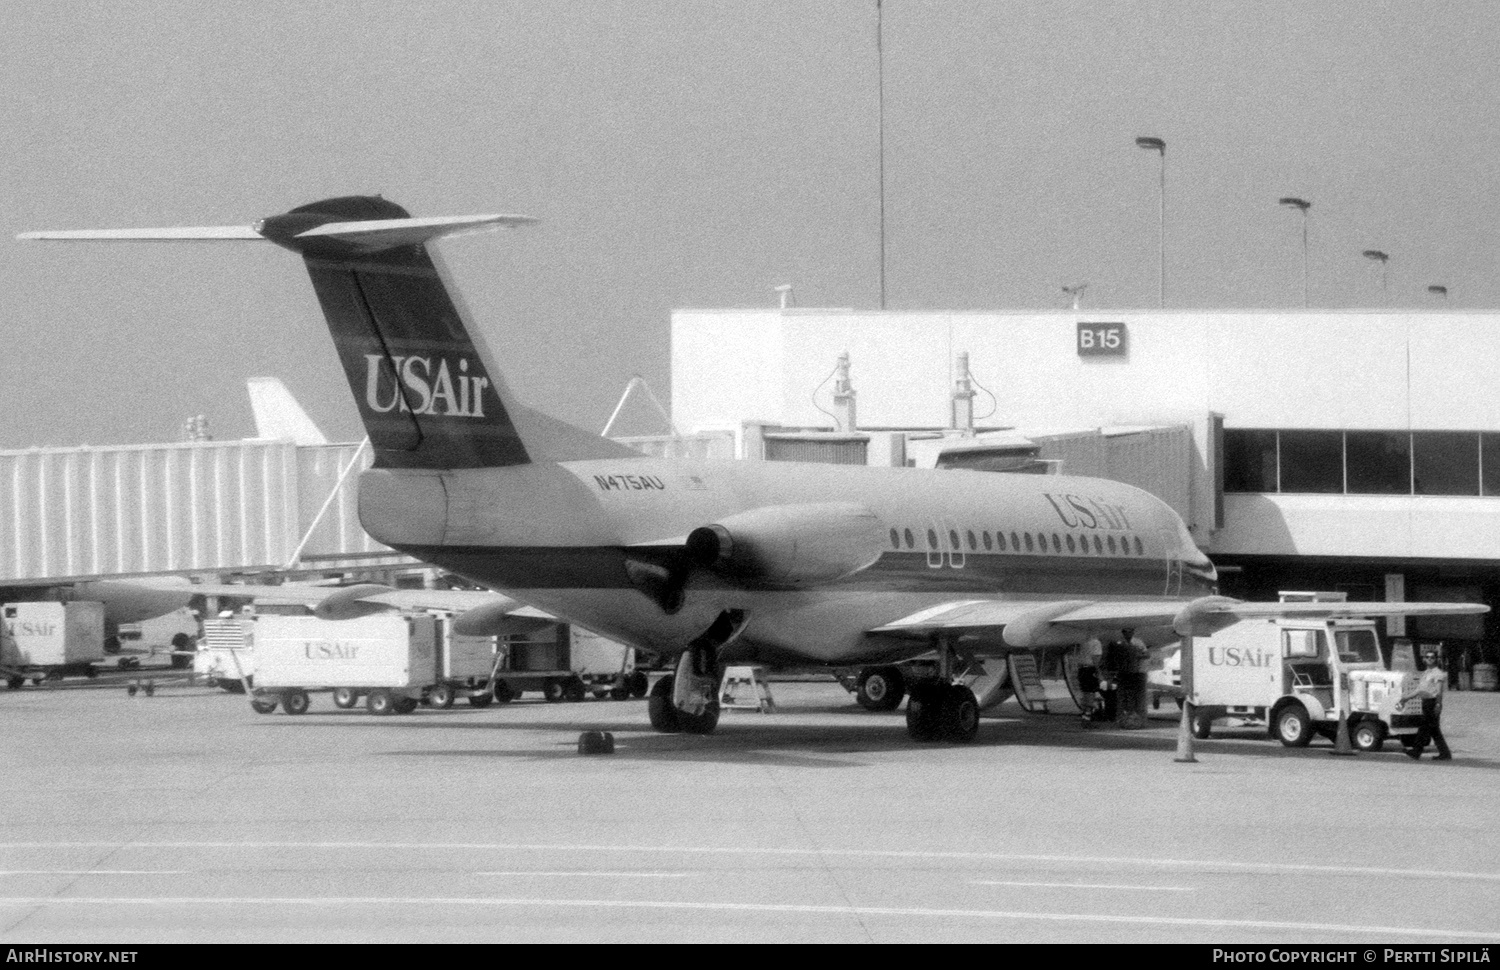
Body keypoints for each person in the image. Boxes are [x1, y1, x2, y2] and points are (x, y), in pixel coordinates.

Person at [1401, 646, 1452, 761]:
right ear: (1424, 659)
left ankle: (1416, 752)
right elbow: (1419, 689)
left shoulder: (1438, 673)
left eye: (1432, 657)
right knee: (1434, 730)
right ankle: (1445, 753)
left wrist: (1438, 705)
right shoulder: (1425, 673)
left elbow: (1438, 691)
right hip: (1425, 702)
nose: (1430, 659)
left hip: (1432, 703)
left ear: (1436, 659)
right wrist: (1406, 698)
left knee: (1424, 728)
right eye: (1427, 657)